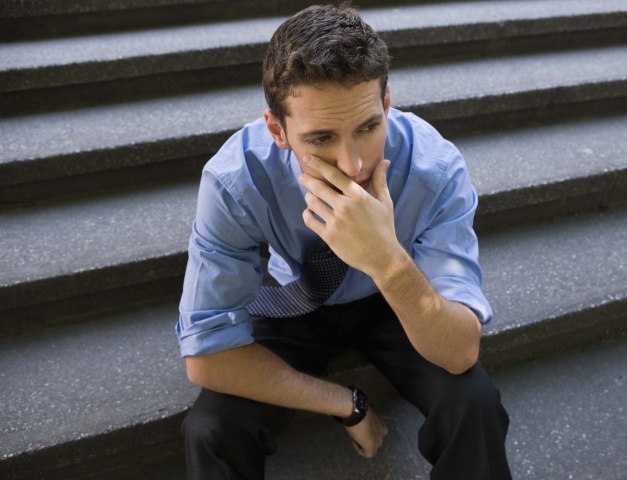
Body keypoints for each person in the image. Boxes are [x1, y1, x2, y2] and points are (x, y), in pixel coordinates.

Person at [176, 4, 512, 479]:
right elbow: (207, 355)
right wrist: (345, 402)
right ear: (278, 130)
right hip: (297, 300)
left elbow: (460, 351)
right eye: (321, 139)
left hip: (394, 296)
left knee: (475, 406)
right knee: (210, 430)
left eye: (368, 127)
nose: (352, 164)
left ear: (387, 103)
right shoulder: (236, 180)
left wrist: (387, 261)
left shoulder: (434, 167)